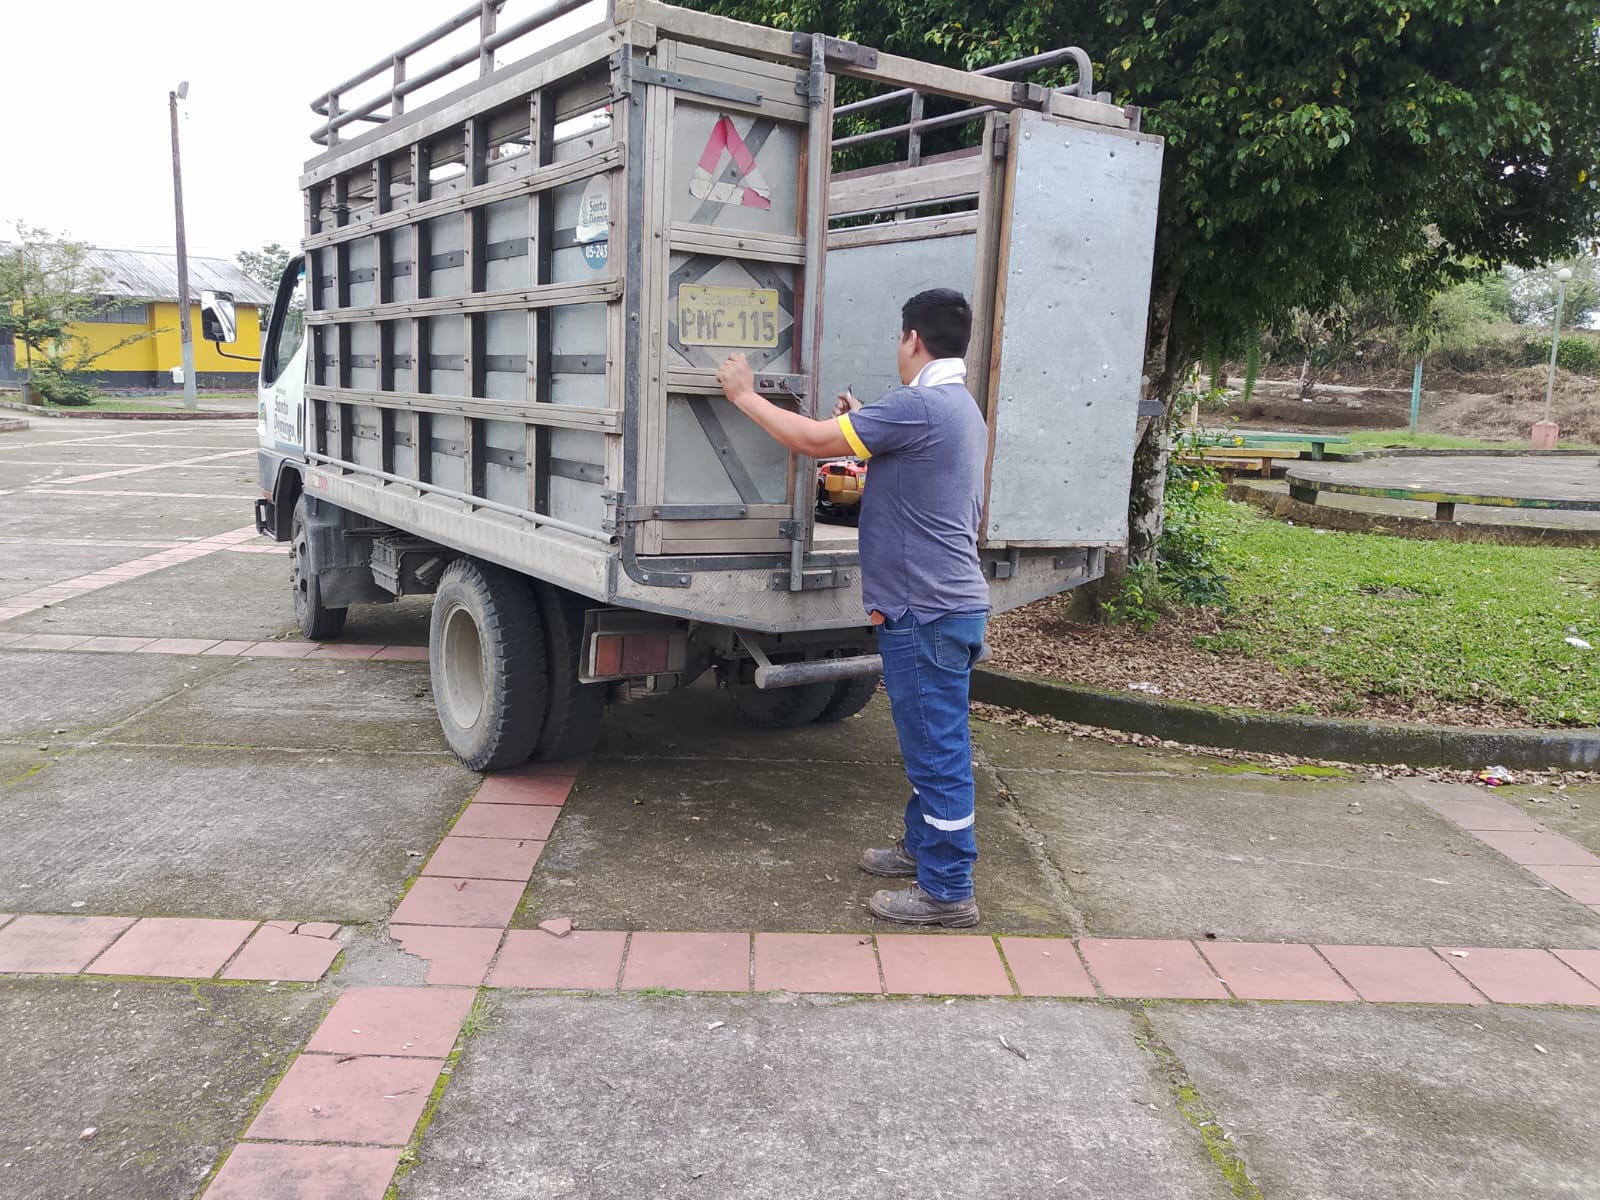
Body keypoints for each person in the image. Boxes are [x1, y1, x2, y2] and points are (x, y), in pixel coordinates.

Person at [715, 287, 989, 928]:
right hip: (942, 605)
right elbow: (902, 455)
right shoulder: (956, 405)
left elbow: (813, 441)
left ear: (912, 339)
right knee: (929, 740)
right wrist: (866, 420)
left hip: (926, 610)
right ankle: (921, 848)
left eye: (899, 337)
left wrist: (744, 395)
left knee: (937, 751)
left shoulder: (919, 406)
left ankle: (948, 891)